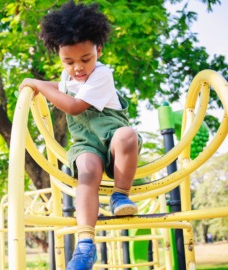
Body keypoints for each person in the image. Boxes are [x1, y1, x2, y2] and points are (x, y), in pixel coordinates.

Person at [19, 1, 141, 269]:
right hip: (87, 145)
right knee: (86, 170)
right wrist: (41, 85)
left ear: (98, 50)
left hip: (112, 142)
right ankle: (85, 243)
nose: (78, 68)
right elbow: (60, 87)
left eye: (85, 59)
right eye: (68, 61)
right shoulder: (70, 79)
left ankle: (120, 194)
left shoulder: (101, 74)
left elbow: (73, 105)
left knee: (127, 135)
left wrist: (36, 83)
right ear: (60, 58)